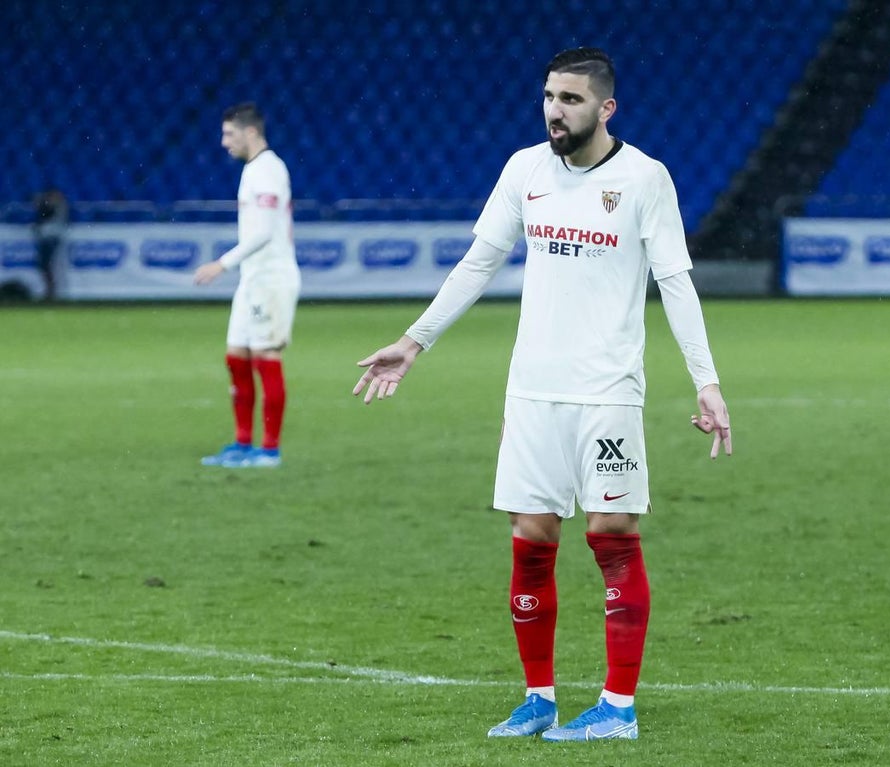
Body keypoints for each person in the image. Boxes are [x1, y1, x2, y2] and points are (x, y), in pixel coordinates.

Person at [353, 48, 732, 741]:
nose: (556, 109)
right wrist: (415, 340)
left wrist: (705, 381)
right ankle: (539, 696)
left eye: (572, 99)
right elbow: (479, 262)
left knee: (612, 535)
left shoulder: (645, 179)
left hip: (607, 391)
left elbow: (675, 281)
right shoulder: (524, 169)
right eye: (550, 96)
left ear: (606, 108)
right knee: (530, 539)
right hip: (532, 391)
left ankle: (617, 707)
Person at [194, 102, 299, 469]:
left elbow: (266, 233)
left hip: (272, 278)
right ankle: (242, 443)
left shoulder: (268, 170)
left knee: (266, 358)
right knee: (236, 357)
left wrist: (222, 264)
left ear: (250, 131)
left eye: (229, 133)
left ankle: (269, 450)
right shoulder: (254, 170)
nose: (224, 142)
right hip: (252, 279)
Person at [31, 187, 69, 301]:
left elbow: (46, 214)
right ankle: (50, 290)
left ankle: (51, 290)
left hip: (50, 238)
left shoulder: (58, 207)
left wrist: (41, 203)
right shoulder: (57, 207)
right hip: (47, 237)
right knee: (45, 265)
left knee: (47, 265)